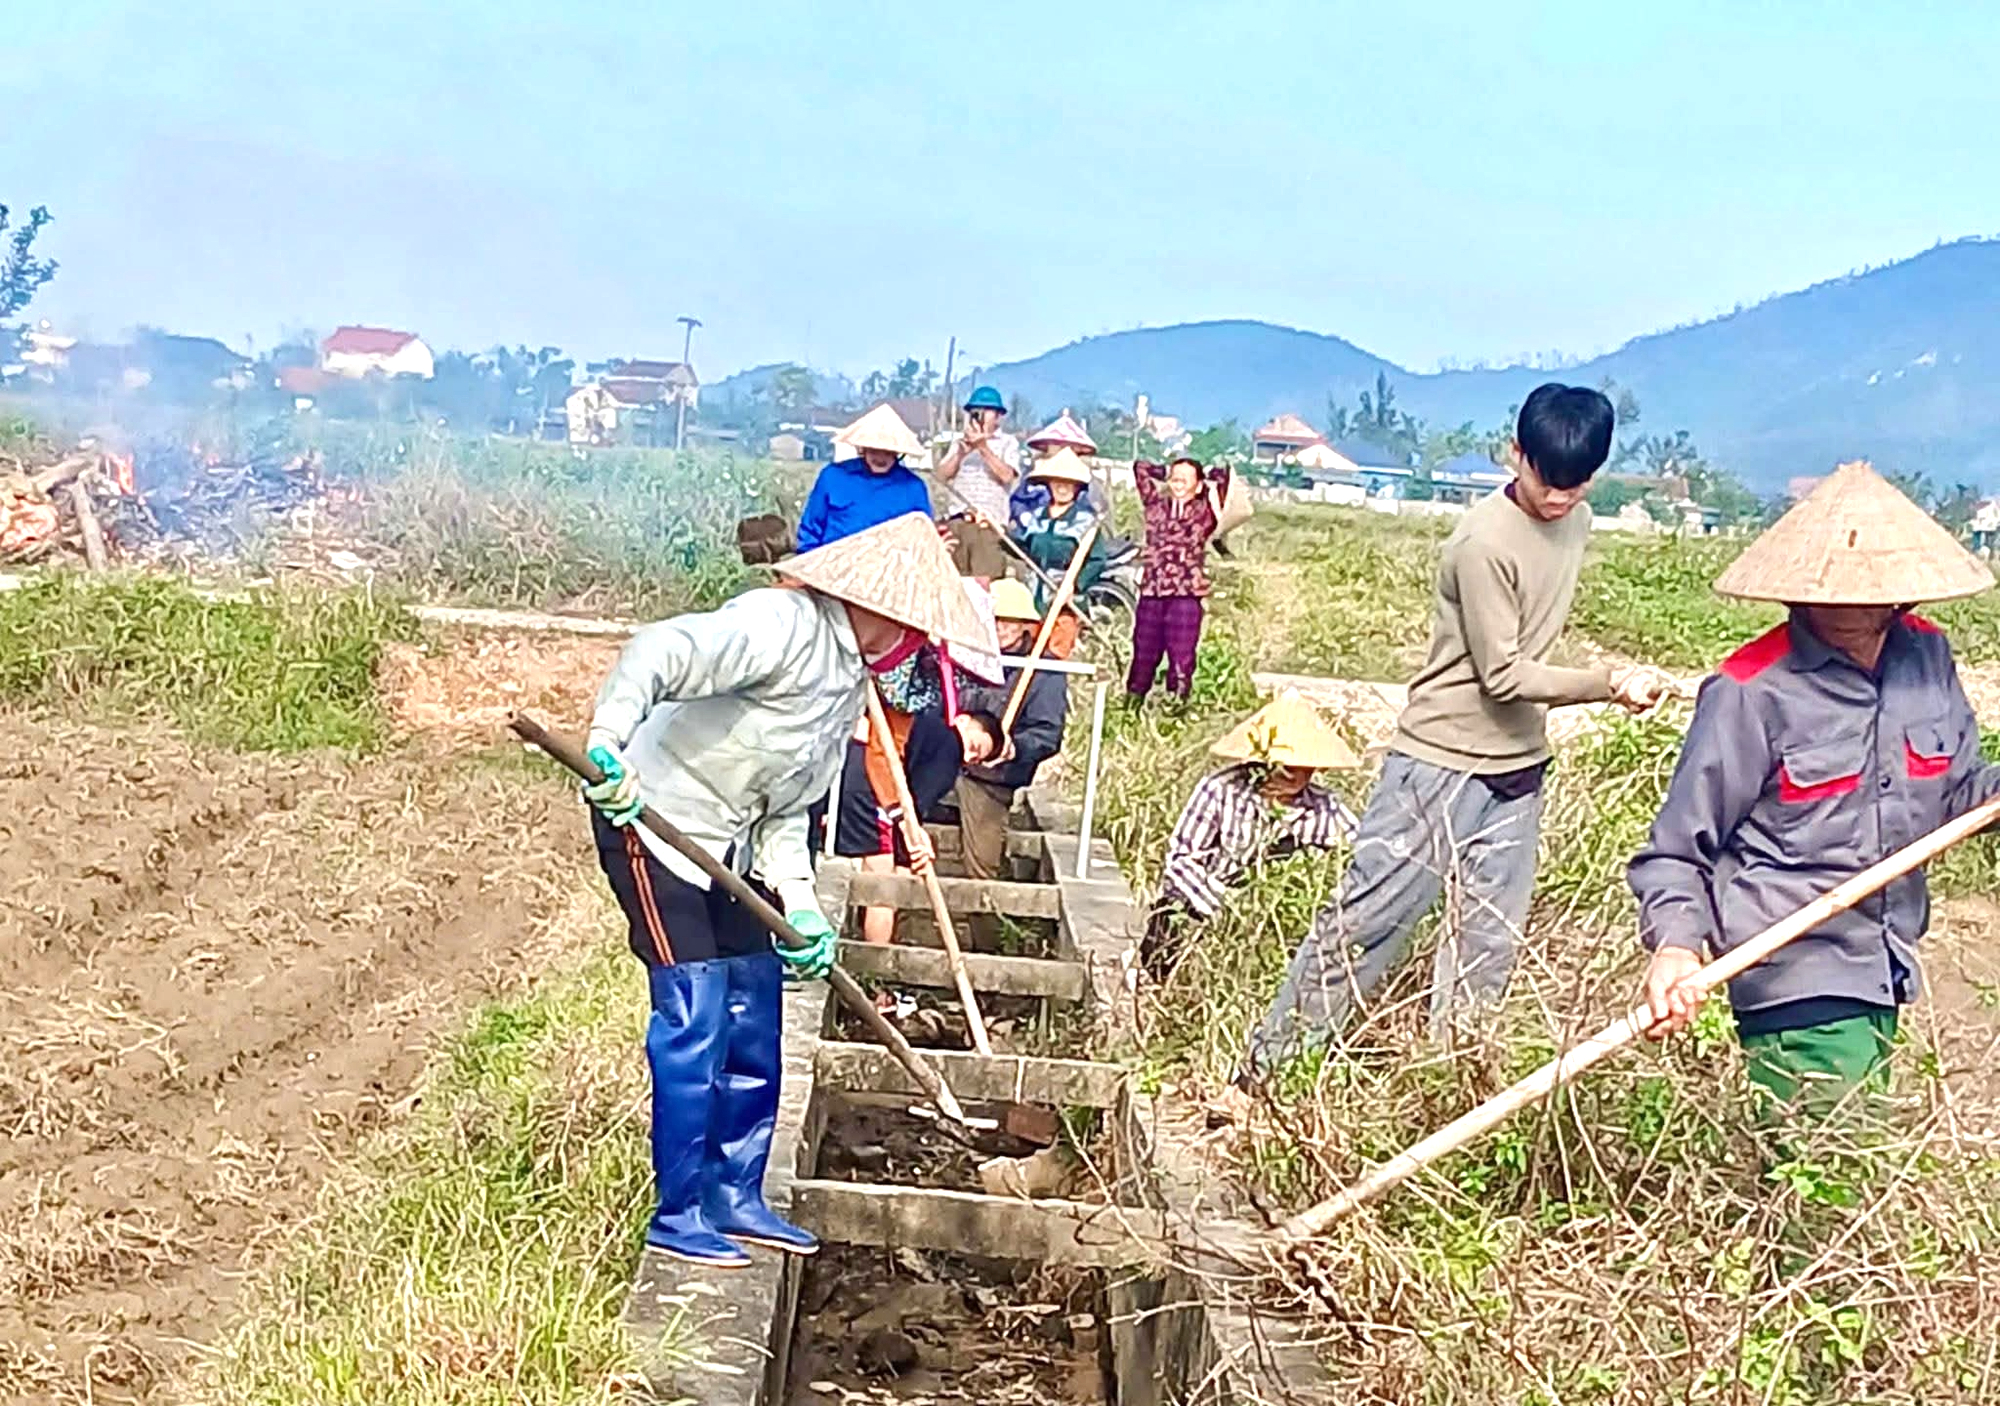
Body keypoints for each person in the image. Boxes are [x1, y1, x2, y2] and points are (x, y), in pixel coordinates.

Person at [579, 512, 990, 1267]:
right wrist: (609, 741)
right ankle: (680, 1210)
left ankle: (736, 1194)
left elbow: (787, 808)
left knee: (756, 1002)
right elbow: (662, 650)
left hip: (731, 843)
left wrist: (799, 903)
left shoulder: (849, 683)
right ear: (874, 606)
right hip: (656, 819)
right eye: (911, 625)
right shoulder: (781, 624)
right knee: (696, 1011)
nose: (915, 644)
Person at [1236, 385, 1668, 1093]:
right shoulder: (1483, 542)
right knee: (1368, 921)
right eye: (1545, 481)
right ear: (1514, 454)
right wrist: (1608, 682)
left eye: (1575, 485)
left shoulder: (1577, 519)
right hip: (1437, 765)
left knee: (1487, 943)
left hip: (1517, 768)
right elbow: (1501, 674)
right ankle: (1261, 1078)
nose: (1558, 500)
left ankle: (1449, 1086)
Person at [1632, 461, 2000, 1125]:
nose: (1851, 604)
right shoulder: (1750, 691)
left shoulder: (1926, 659)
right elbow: (1676, 849)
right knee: (1839, 1188)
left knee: (1842, 1189)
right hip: (1793, 976)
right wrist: (1677, 948)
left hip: (1887, 964)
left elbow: (1962, 791)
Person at [1143, 692, 1360, 980]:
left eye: (1303, 768)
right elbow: (1181, 861)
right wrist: (1227, 909)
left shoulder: (1325, 808)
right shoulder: (1221, 790)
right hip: (1206, 905)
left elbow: (1359, 856)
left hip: (1276, 927)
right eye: (1286, 765)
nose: (1293, 775)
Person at [829, 706, 1003, 947]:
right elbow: (916, 804)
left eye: (977, 760)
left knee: (887, 879)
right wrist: (911, 844)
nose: (971, 757)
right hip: (874, 790)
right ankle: (876, 959)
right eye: (976, 747)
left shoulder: (927, 727)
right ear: (963, 720)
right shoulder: (949, 748)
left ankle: (875, 946)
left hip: (865, 779)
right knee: (884, 884)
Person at [953, 579, 1071, 881]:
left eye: (1009, 621)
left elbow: (1048, 734)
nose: (1001, 628)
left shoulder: (1046, 670)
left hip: (991, 779)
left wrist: (1012, 747)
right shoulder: (967, 654)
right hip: (947, 761)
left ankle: (984, 924)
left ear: (1024, 625)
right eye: (994, 620)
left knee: (982, 865)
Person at [1128, 454, 1231, 701]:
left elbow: (1227, 479)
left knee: (1181, 658)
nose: (1179, 485)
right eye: (1175, 479)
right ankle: (1131, 707)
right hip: (1153, 591)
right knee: (1143, 655)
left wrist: (1206, 473)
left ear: (1197, 486)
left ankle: (1177, 709)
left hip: (1186, 594)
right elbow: (1140, 468)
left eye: (1185, 480)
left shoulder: (1205, 512)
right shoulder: (1155, 506)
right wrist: (1164, 471)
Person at [1009, 447, 1105, 658]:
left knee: (1055, 656)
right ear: (1049, 484)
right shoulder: (1036, 518)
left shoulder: (1085, 521)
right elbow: (1022, 548)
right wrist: (996, 530)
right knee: (1025, 652)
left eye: (1069, 483)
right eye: (1058, 482)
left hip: (1064, 601)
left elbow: (1097, 560)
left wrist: (1075, 585)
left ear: (1077, 488)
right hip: (1033, 598)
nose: (1063, 488)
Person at [797, 404, 932, 551]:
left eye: (887, 452)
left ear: (898, 452)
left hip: (890, 567)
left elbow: (923, 538)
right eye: (875, 451)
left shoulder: (913, 487)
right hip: (834, 566)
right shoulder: (833, 477)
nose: (881, 458)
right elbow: (810, 531)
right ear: (863, 448)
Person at [935, 385, 1021, 578]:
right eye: (975, 410)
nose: (979, 414)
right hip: (958, 521)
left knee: (984, 580)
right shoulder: (959, 442)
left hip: (989, 525)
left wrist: (983, 448)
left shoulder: (1008, 443)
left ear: (998, 416)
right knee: (954, 579)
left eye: (986, 410)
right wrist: (960, 453)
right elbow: (941, 476)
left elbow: (1007, 476)